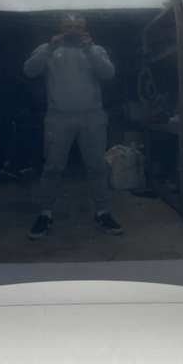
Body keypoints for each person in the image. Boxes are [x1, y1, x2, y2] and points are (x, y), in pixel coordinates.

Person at [23, 13, 123, 239]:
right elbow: (29, 70)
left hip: (92, 117)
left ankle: (103, 211)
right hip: (58, 117)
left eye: (77, 26)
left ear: (84, 29)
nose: (73, 30)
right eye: (68, 26)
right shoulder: (48, 49)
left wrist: (89, 50)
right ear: (60, 28)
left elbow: (109, 74)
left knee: (97, 167)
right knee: (52, 168)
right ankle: (45, 213)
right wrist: (50, 48)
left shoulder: (95, 50)